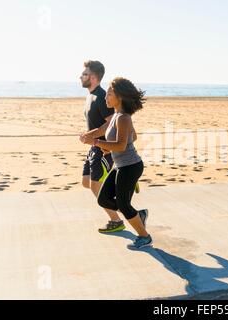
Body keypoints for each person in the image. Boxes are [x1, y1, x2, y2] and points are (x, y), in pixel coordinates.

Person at [81, 77, 151, 250]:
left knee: (123, 204)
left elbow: (121, 144)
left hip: (131, 167)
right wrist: (92, 138)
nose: (106, 98)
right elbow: (130, 137)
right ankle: (138, 215)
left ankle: (145, 236)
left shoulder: (123, 118)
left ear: (119, 96)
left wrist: (98, 144)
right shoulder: (115, 117)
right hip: (121, 166)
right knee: (104, 199)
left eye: (109, 94)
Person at [79, 60, 126, 233]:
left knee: (94, 186)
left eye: (84, 74)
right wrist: (89, 136)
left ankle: (116, 220)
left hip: (103, 148)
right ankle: (119, 192)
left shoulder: (101, 97)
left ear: (92, 77)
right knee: (86, 182)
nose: (80, 77)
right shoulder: (90, 95)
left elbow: (110, 124)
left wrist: (90, 135)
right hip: (93, 147)